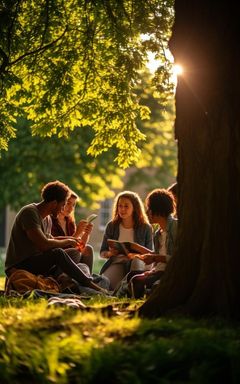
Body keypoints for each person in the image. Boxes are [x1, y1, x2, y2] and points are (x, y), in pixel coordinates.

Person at [5, 180, 106, 293]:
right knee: (58, 253)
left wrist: (72, 240)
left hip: (37, 262)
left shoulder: (47, 218)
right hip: (21, 265)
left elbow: (50, 238)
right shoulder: (29, 213)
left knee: (75, 252)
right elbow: (44, 244)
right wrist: (68, 240)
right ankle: (89, 284)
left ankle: (73, 283)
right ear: (54, 203)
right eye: (63, 205)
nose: (63, 209)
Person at [127, 188, 178, 298]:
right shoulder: (157, 233)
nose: (147, 212)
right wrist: (151, 269)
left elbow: (178, 257)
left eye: (149, 208)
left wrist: (155, 258)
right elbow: (158, 260)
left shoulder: (175, 227)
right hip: (159, 271)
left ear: (158, 209)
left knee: (137, 281)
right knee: (132, 276)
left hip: (171, 272)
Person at [99, 191, 153, 290]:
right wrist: (110, 253)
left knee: (136, 263)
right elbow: (102, 252)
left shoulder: (146, 228)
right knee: (107, 286)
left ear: (134, 208)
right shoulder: (112, 226)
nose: (122, 209)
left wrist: (136, 253)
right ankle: (125, 288)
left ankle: (134, 288)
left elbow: (151, 254)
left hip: (137, 262)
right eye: (120, 206)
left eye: (126, 206)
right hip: (118, 261)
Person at [51, 190, 94, 273]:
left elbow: (79, 246)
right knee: (76, 253)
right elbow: (58, 247)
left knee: (88, 249)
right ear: (61, 202)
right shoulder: (51, 220)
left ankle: (86, 278)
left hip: (72, 257)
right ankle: (82, 277)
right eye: (68, 203)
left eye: (73, 205)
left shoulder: (69, 222)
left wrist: (86, 233)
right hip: (58, 260)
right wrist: (77, 233)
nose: (71, 208)